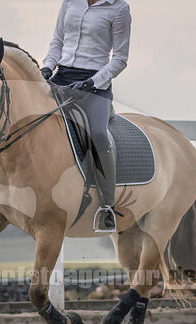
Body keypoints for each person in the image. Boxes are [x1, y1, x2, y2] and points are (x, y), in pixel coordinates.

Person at [41, 0, 131, 232]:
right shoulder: (70, 2)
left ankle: (108, 206)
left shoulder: (119, 9)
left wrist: (92, 82)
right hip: (61, 77)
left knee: (99, 135)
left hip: (95, 84)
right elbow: (58, 41)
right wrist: (48, 68)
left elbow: (120, 59)